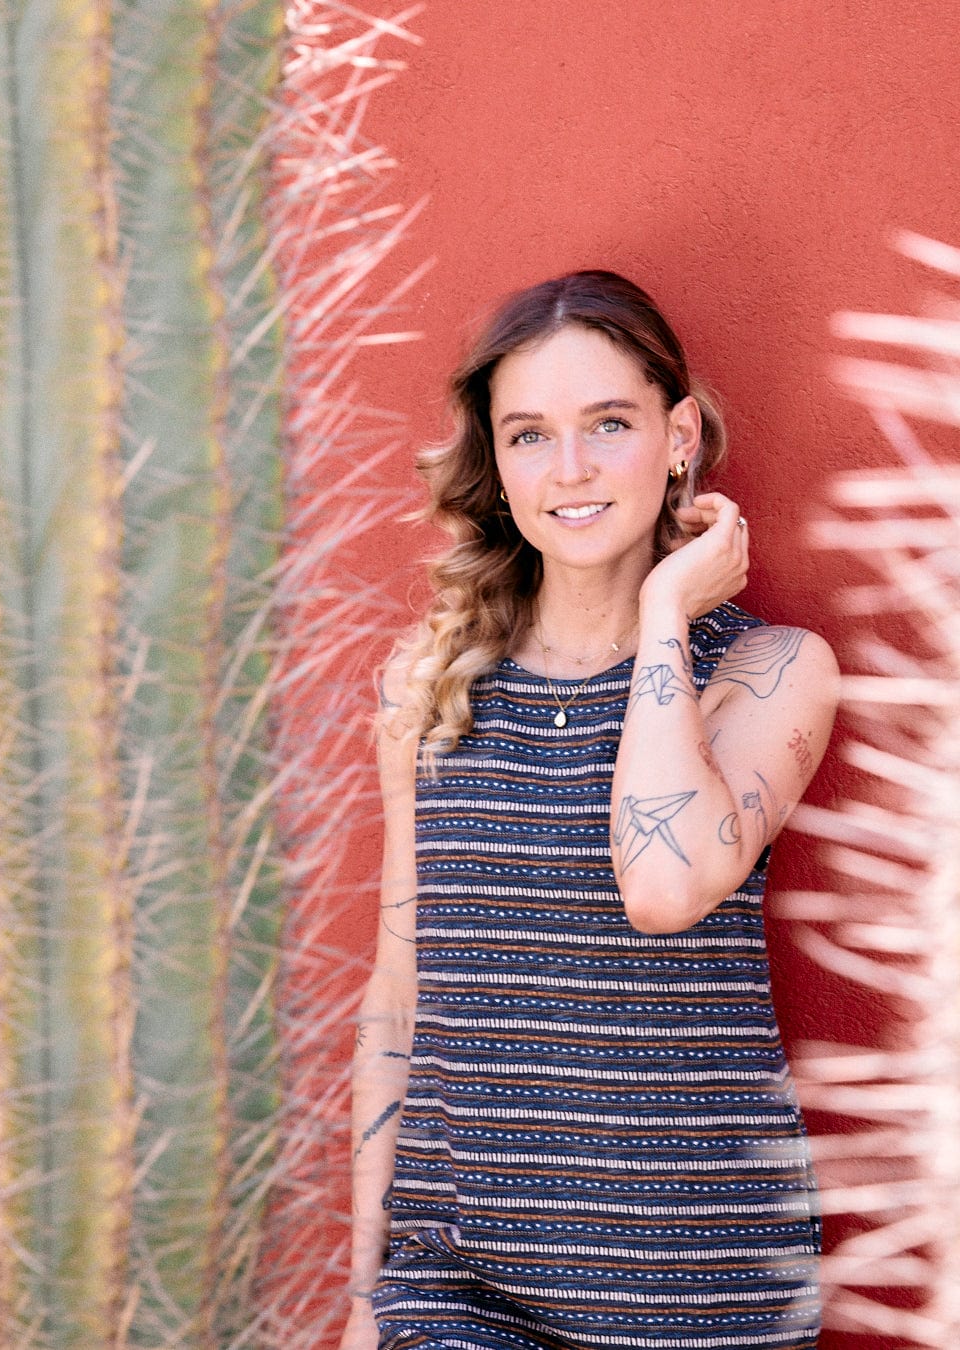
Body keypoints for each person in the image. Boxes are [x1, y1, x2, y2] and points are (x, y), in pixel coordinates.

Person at [341, 270, 838, 1350]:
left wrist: (662, 612)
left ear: (678, 435)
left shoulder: (767, 671)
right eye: (528, 435)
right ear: (497, 460)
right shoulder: (430, 688)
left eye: (607, 424)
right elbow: (397, 993)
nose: (567, 470)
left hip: (700, 1296)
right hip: (458, 1288)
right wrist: (359, 1290)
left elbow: (662, 888)